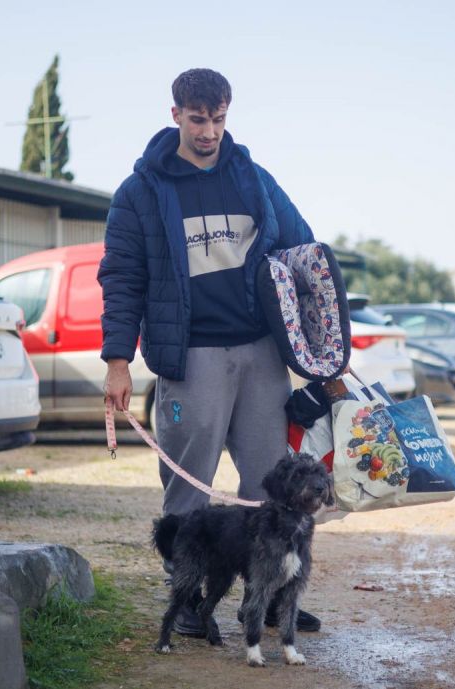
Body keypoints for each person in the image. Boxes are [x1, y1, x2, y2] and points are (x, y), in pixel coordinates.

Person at [98, 68, 321, 636]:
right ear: (175, 114)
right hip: (191, 353)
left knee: (271, 484)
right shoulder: (141, 192)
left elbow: (303, 250)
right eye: (198, 120)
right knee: (190, 483)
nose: (209, 132)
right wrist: (118, 361)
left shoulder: (252, 178)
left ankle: (268, 597)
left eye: (219, 119)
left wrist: (323, 344)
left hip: (260, 350)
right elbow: (121, 278)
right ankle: (189, 599)